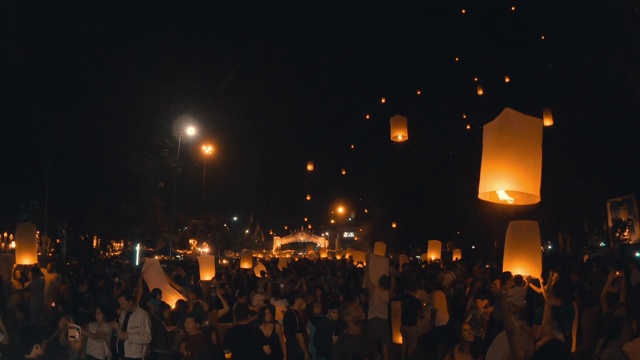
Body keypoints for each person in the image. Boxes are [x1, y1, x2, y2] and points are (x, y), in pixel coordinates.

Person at [112, 290, 152, 360]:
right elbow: (121, 333)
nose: (121, 306)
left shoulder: (143, 315)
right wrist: (116, 329)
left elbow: (147, 337)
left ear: (130, 302)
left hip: (135, 356)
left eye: (122, 304)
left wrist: (128, 336)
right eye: (120, 304)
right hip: (122, 353)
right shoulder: (123, 314)